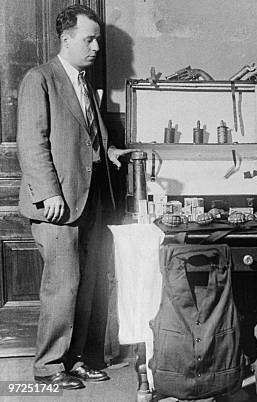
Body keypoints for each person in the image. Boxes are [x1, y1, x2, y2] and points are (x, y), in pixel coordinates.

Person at [17, 5, 134, 389]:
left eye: (98, 39)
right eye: (90, 39)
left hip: (89, 199)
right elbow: (32, 145)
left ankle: (78, 359)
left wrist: (110, 153)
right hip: (58, 204)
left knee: (87, 286)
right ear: (66, 40)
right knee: (62, 286)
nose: (97, 46)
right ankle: (49, 366)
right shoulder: (40, 79)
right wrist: (48, 192)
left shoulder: (82, 82)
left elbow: (88, 137)